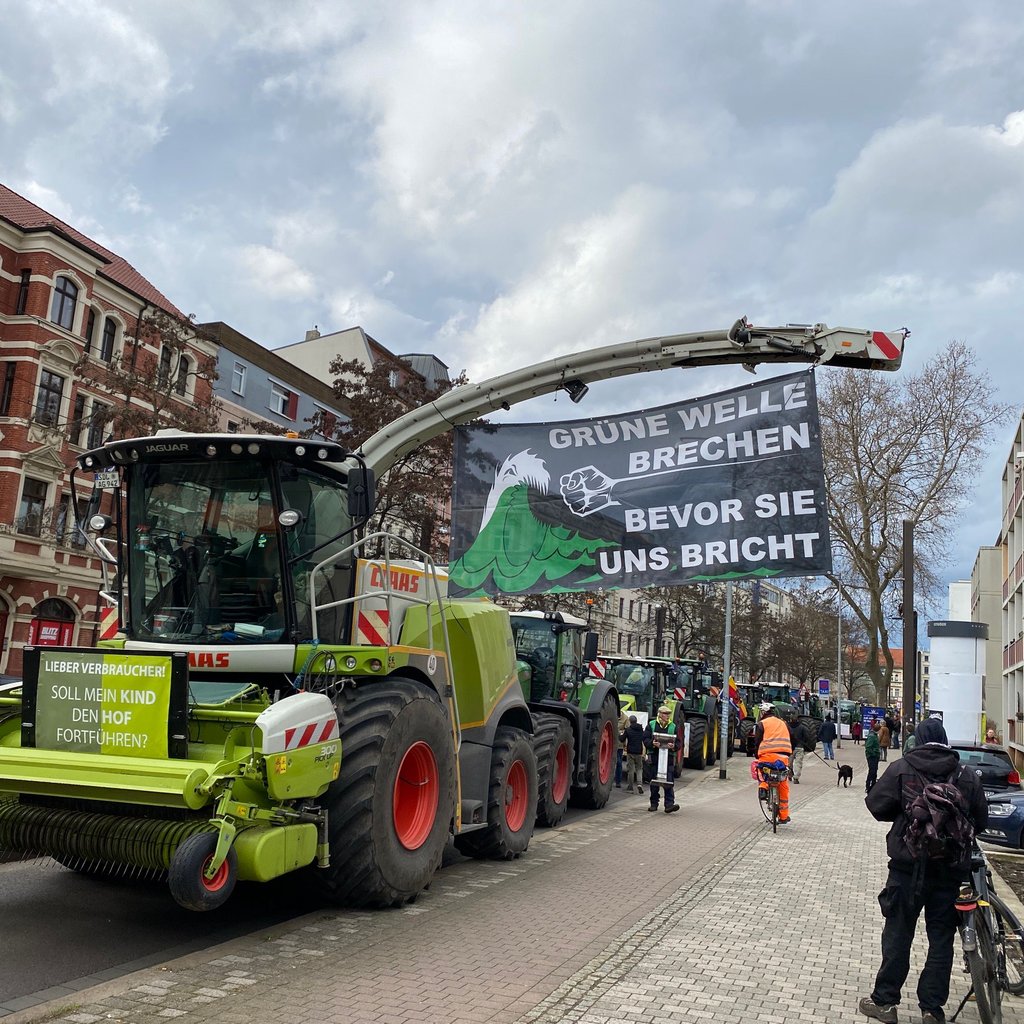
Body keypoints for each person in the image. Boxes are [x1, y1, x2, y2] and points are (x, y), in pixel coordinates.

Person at [859, 717, 988, 1024]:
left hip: (907, 868)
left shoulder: (902, 767)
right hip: (950, 872)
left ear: (918, 739)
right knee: (941, 939)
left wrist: (908, 813)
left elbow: (876, 806)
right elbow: (981, 821)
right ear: (944, 740)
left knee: (898, 934)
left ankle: (886, 1002)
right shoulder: (965, 774)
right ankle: (932, 1009)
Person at [753, 702, 793, 824]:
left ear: (763, 712)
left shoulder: (762, 724)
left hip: (767, 756)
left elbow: (757, 741)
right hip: (783, 757)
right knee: (782, 783)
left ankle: (763, 787)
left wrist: (756, 753)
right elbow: (792, 737)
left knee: (761, 770)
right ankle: (783, 816)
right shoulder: (783, 723)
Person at [644, 705, 681, 813]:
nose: (667, 716)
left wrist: (673, 746)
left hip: (668, 758)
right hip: (654, 757)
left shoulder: (673, 726)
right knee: (654, 782)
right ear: (660, 714)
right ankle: (654, 804)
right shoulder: (651, 725)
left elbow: (678, 743)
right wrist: (652, 744)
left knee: (669, 782)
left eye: (668, 714)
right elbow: (645, 739)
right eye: (665, 714)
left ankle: (669, 805)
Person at [621, 714, 646, 793]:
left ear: (630, 721)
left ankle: (630, 787)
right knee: (639, 768)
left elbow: (622, 739)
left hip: (630, 752)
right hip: (639, 751)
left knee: (630, 770)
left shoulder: (628, 730)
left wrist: (619, 734)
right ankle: (639, 784)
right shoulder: (641, 729)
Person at [789, 716, 810, 785]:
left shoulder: (788, 727)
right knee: (798, 763)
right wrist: (804, 743)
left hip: (790, 747)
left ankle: (789, 773)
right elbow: (807, 737)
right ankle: (796, 777)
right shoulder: (802, 727)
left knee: (789, 763)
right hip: (799, 747)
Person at [865, 720, 881, 793]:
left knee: (874, 770)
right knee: (872, 770)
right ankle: (868, 786)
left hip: (875, 755)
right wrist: (874, 753)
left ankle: (873, 785)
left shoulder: (874, 735)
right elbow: (868, 747)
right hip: (872, 756)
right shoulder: (872, 736)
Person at [615, 708, 629, 787]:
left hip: (619, 744)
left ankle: (618, 781)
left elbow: (627, 732)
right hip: (610, 741)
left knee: (619, 762)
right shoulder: (611, 714)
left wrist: (626, 745)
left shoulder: (625, 718)